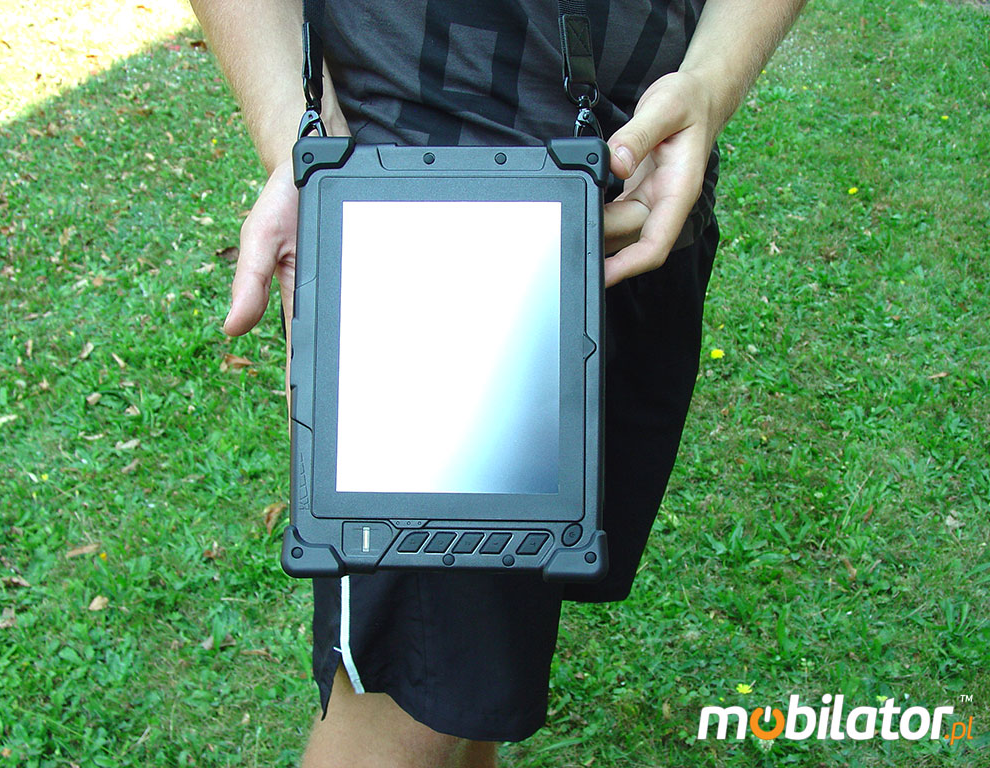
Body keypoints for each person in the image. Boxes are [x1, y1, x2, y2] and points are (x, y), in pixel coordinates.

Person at [189, 1, 806, 766]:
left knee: (473, 675)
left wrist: (709, 83)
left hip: (647, 191)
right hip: (424, 220)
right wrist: (308, 146)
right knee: (403, 713)